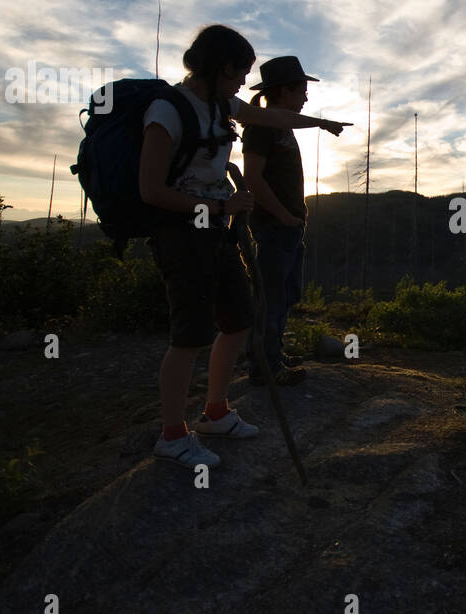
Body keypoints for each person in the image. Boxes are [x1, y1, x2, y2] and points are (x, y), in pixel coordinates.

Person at [138, 25, 346, 469]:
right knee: (189, 333)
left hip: (217, 227)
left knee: (237, 320)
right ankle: (172, 435)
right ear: (223, 67)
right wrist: (218, 204)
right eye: (240, 74)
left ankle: (215, 413)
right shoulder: (167, 109)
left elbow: (275, 118)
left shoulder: (221, 105)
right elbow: (150, 189)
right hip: (180, 232)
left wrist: (320, 123)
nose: (242, 85)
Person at [241, 56, 318, 386]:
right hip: (274, 227)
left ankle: (272, 355)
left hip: (286, 227)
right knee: (271, 298)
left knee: (284, 295)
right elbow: (252, 179)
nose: (305, 97)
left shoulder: (279, 125)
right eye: (301, 90)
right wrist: (284, 215)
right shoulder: (261, 126)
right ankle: (265, 368)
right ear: (284, 91)